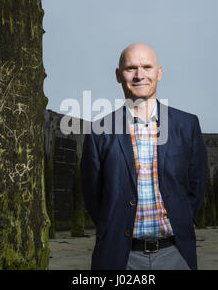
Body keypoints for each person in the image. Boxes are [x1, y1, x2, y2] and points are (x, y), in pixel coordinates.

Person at [80, 42, 208, 270]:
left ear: (159, 73)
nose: (140, 75)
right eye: (131, 68)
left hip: (175, 254)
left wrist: (184, 219)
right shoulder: (100, 130)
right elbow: (92, 194)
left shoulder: (187, 125)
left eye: (147, 67)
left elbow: (197, 184)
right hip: (121, 257)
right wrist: (113, 226)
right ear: (119, 76)